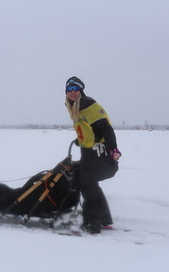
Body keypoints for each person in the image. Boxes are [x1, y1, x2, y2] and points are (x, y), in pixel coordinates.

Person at [65, 76, 121, 234]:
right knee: (90, 183)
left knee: (86, 184)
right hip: (89, 150)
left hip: (99, 151)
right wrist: (81, 139)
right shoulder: (74, 105)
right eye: (69, 89)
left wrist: (113, 149)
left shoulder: (87, 104)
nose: (72, 92)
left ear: (81, 90)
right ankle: (104, 220)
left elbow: (106, 128)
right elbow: (89, 127)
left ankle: (92, 224)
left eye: (76, 88)